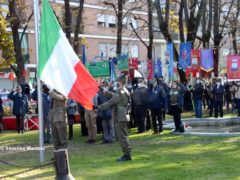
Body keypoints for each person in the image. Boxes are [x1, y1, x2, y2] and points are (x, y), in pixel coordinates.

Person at [98, 74, 131, 162]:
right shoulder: (124, 90)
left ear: (120, 81)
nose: (117, 82)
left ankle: (127, 155)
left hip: (120, 116)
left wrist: (99, 107)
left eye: (118, 81)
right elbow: (116, 97)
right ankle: (127, 154)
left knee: (122, 136)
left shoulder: (120, 91)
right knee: (123, 136)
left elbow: (111, 102)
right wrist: (107, 93)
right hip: (123, 115)